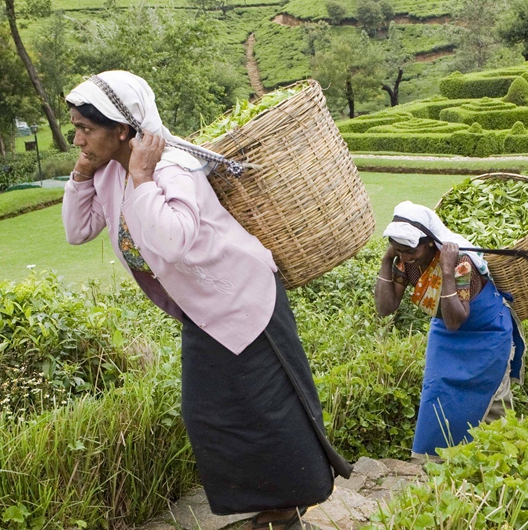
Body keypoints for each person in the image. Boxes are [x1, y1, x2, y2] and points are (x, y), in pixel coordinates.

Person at [61, 70, 350, 530]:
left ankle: (288, 507)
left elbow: (172, 240)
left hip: (245, 298)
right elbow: (78, 231)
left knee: (270, 408)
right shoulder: (110, 173)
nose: (77, 138)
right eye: (74, 126)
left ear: (121, 128)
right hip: (204, 309)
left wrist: (141, 178)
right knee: (214, 417)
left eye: (85, 128)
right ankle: (276, 507)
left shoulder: (171, 166)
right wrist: (82, 174)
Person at [373, 201, 525, 458]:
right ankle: (437, 462)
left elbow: (456, 320)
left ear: (430, 242)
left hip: (485, 333)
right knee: (438, 393)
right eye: (398, 249)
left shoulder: (461, 262)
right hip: (446, 333)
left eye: (410, 250)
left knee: (493, 400)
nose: (406, 256)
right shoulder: (404, 260)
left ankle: (499, 457)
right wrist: (387, 259)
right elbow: (385, 308)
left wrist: (446, 269)